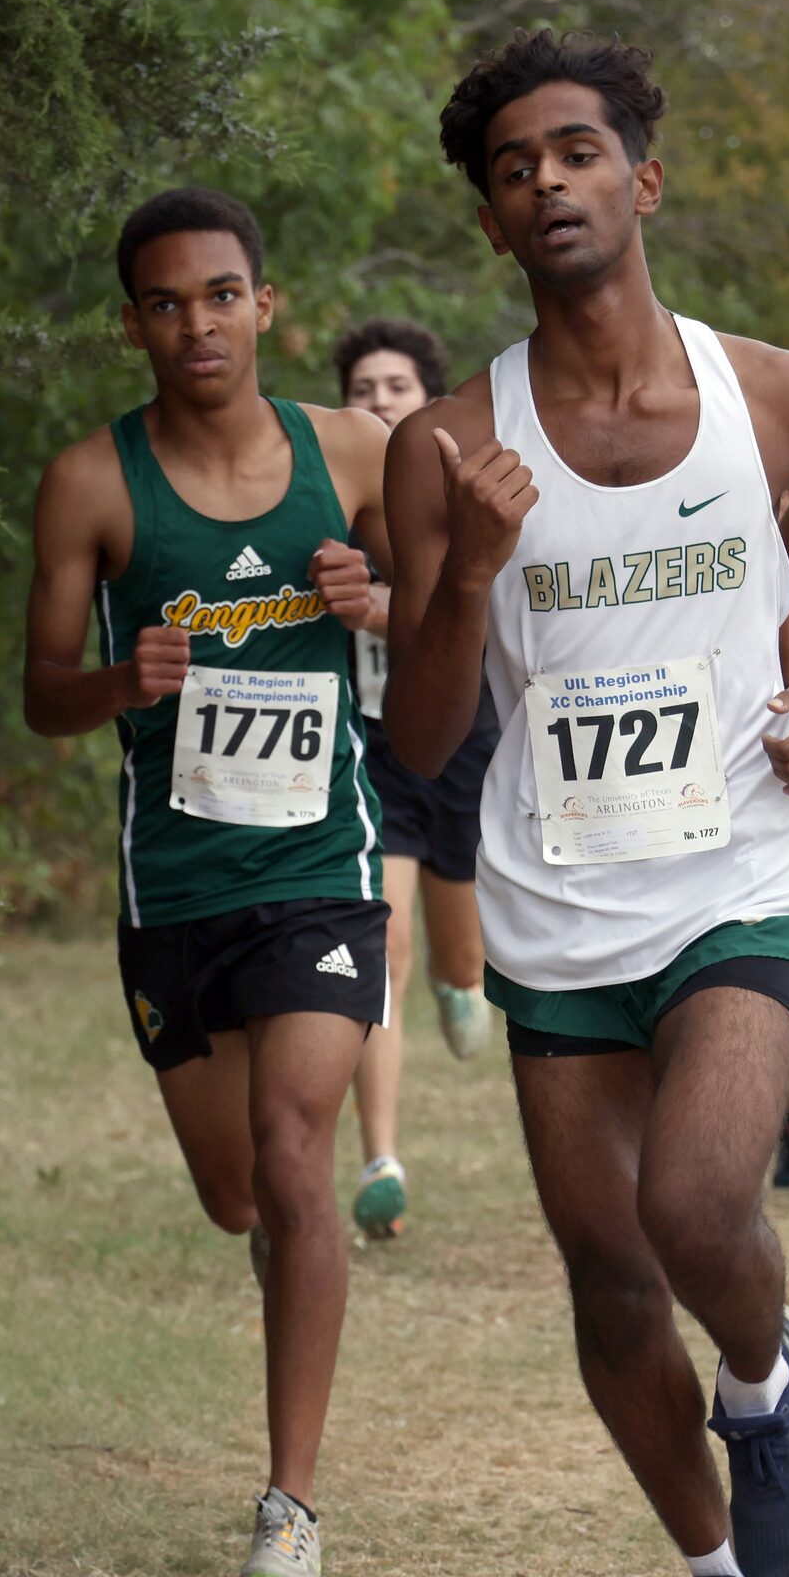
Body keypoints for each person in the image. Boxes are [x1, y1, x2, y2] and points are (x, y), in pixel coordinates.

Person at [383, 30, 789, 1577]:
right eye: (510, 170)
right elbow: (415, 733)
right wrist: (471, 572)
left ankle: (767, 1390)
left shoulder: (777, 391)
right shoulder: (449, 444)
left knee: (697, 1207)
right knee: (610, 1275)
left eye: (572, 151)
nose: (543, 181)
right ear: (490, 222)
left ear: (642, 175)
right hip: (555, 902)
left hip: (738, 869)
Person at [23, 188, 391, 1577]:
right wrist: (123, 682)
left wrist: (381, 604)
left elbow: (448, 621)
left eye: (221, 295)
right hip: (170, 883)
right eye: (166, 303)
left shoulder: (348, 450)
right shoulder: (91, 484)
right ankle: (278, 1263)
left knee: (300, 1162)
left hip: (318, 868)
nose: (197, 325)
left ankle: (288, 1506)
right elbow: (43, 690)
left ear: (265, 305)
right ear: (133, 323)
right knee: (236, 1187)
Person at [333, 319, 498, 1238]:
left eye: (396, 386)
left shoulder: (466, 487)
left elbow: (482, 607)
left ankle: (462, 983)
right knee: (381, 953)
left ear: (429, 399)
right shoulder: (336, 499)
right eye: (363, 388)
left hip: (469, 746)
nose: (379, 400)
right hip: (376, 749)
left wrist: (384, 607)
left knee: (459, 962)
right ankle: (380, 1159)